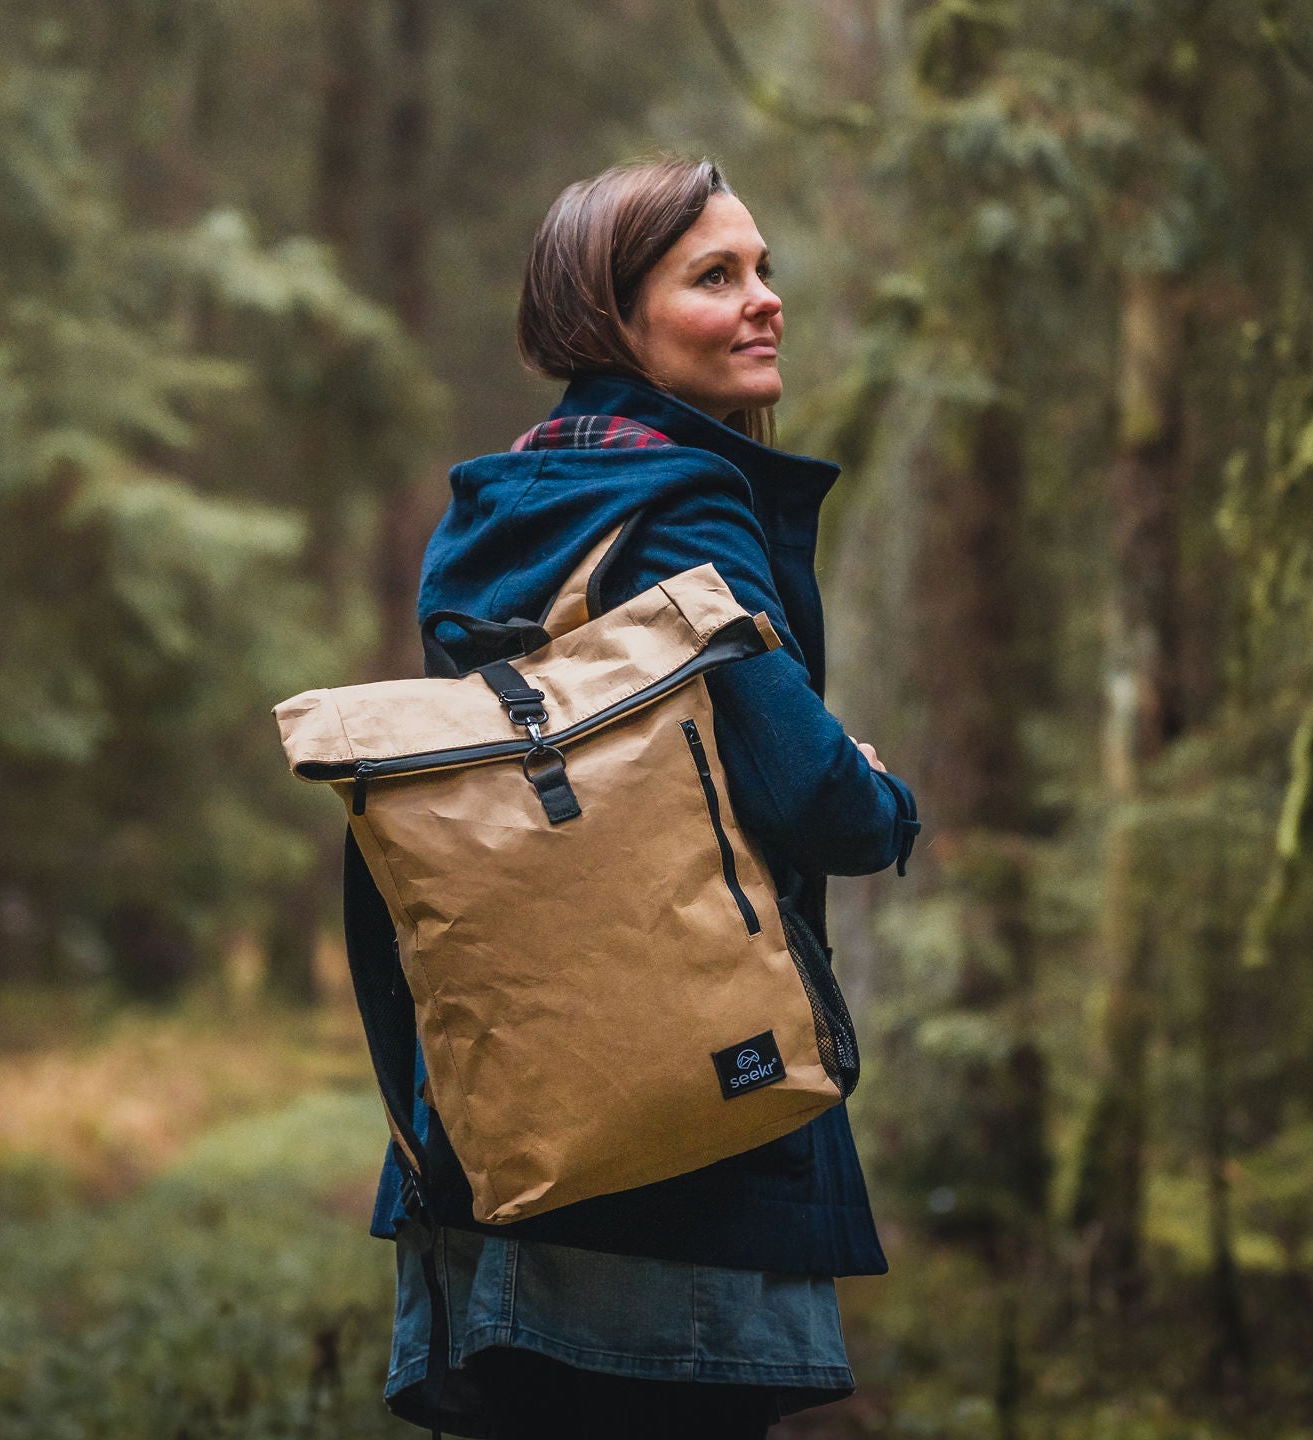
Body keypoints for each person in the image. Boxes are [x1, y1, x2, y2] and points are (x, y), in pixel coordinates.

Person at [339, 155, 922, 1439]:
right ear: (613, 316)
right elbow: (807, 792)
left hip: (494, 1127)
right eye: (716, 276)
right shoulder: (680, 508)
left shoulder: (496, 509)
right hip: (679, 1127)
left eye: (765, 269)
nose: (765, 298)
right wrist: (882, 793)